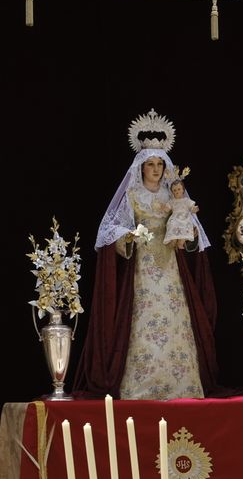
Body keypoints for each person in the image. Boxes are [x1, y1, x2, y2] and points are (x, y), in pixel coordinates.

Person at [72, 111, 219, 399]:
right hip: (143, 268)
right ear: (140, 168)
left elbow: (193, 237)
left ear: (166, 167)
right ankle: (142, 385)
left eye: (159, 164)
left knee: (176, 316)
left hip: (170, 268)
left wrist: (184, 230)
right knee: (143, 318)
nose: (155, 169)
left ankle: (182, 384)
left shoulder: (173, 196)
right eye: (149, 164)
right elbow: (110, 229)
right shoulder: (132, 196)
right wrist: (130, 236)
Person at [163, 170, 199, 250]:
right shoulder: (172, 201)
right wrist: (164, 208)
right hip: (175, 218)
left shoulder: (186, 200)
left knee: (184, 230)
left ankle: (180, 243)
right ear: (172, 192)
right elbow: (167, 209)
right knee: (172, 224)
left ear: (183, 190)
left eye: (179, 189)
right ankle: (173, 241)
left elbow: (191, 207)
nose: (177, 191)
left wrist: (194, 209)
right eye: (175, 190)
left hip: (185, 218)